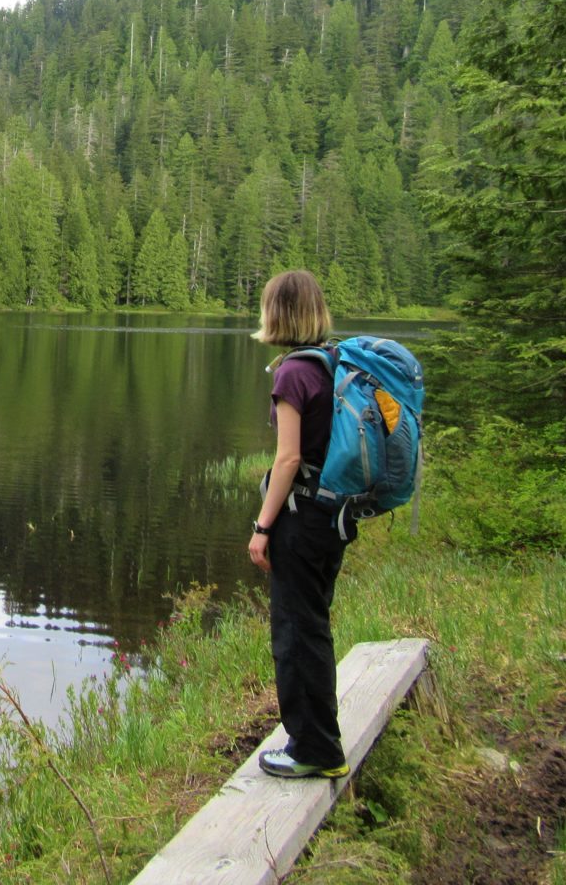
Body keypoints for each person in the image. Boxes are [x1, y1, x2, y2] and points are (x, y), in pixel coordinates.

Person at [248, 269, 354, 779]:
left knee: (295, 634)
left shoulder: (292, 373)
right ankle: (317, 740)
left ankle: (315, 750)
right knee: (313, 626)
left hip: (301, 518)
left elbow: (288, 459)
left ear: (280, 313)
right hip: (332, 518)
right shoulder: (332, 362)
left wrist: (262, 527)